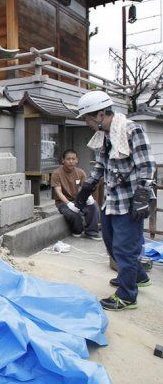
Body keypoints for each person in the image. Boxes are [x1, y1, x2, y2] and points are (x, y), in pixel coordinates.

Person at [75, 90, 154, 311]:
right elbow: (100, 167)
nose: (87, 123)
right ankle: (138, 276)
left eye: (88, 118)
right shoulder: (104, 136)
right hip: (112, 200)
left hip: (130, 201)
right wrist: (86, 189)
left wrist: (141, 196)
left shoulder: (131, 130)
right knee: (111, 242)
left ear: (100, 114)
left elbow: (146, 166)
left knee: (124, 249)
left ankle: (127, 296)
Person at [51, 150, 101, 239]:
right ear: (63, 160)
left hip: (78, 199)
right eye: (68, 159)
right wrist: (69, 204)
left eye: (73, 159)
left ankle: (91, 232)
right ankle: (78, 230)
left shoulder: (80, 172)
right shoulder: (56, 173)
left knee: (94, 206)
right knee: (73, 214)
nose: (71, 161)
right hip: (63, 202)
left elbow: (85, 188)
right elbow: (58, 191)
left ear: (77, 160)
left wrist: (88, 197)